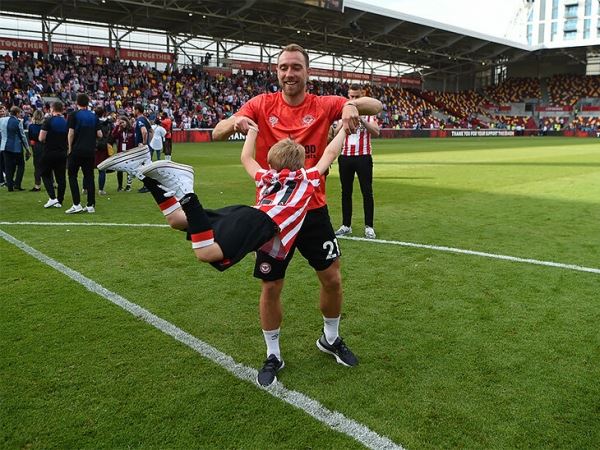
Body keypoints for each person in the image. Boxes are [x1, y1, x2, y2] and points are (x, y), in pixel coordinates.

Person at [212, 43, 382, 386]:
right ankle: (273, 352)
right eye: (283, 68)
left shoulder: (323, 104)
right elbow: (217, 133)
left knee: (332, 278)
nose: (289, 73)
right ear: (277, 72)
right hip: (273, 215)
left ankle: (330, 338)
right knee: (271, 284)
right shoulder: (260, 104)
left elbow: (376, 105)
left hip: (313, 209)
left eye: (296, 67)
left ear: (307, 72)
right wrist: (236, 121)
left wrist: (350, 104)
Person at [98, 125, 347, 283]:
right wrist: (344, 130)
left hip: (245, 212)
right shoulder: (308, 178)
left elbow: (246, 158)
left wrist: (252, 131)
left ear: (271, 165)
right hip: (260, 224)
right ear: (300, 165)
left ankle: (143, 169)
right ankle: (186, 190)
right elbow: (329, 154)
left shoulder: (266, 177)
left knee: (177, 220)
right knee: (205, 252)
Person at [332, 84, 380, 239]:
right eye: (351, 96)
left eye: (357, 97)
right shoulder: (343, 113)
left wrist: (361, 120)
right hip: (345, 157)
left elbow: (377, 132)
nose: (353, 99)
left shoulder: (369, 114)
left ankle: (369, 227)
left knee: (367, 192)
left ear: (362, 96)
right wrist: (343, 122)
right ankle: (346, 225)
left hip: (363, 156)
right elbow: (334, 133)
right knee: (346, 192)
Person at [66, 93, 102, 214]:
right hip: (90, 151)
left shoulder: (73, 115)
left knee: (72, 176)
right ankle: (90, 205)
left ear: (77, 103)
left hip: (77, 149)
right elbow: (100, 134)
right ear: (88, 103)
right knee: (89, 177)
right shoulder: (94, 116)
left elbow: (71, 133)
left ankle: (76, 204)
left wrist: (70, 148)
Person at [38, 101, 68, 208]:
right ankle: (59, 200)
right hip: (62, 152)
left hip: (49, 151)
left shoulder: (48, 121)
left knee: (44, 173)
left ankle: (52, 197)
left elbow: (41, 138)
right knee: (61, 178)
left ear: (52, 109)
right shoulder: (66, 122)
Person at [0, 106, 31, 191]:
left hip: (4, 147)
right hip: (16, 148)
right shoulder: (18, 122)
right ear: (17, 113)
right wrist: (27, 149)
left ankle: (10, 187)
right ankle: (17, 184)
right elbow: (23, 136)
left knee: (8, 167)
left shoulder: (2, 120)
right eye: (19, 113)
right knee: (21, 165)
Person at [111, 116, 136, 191]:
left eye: (123, 122)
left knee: (129, 169)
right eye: (120, 123)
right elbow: (113, 136)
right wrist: (117, 126)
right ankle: (120, 186)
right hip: (121, 152)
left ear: (127, 121)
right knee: (119, 169)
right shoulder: (120, 130)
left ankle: (128, 185)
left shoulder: (132, 129)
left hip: (130, 152)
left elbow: (135, 140)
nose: (122, 124)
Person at [133, 103, 152, 193]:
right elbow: (151, 131)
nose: (133, 111)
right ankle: (148, 185)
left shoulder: (140, 119)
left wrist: (144, 143)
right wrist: (149, 142)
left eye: (134, 109)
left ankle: (148, 185)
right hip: (146, 147)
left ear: (137, 110)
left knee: (139, 167)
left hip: (142, 148)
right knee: (146, 166)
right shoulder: (145, 119)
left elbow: (144, 132)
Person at [95, 106, 113, 195]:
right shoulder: (107, 124)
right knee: (102, 170)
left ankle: (85, 188)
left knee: (88, 169)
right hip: (103, 147)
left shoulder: (93, 122)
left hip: (94, 147)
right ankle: (101, 190)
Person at [28, 110, 45, 192]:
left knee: (37, 167)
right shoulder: (45, 125)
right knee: (48, 165)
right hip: (45, 146)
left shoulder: (31, 126)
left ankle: (37, 185)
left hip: (37, 146)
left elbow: (31, 140)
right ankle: (52, 183)